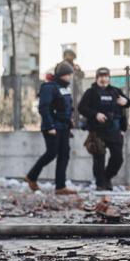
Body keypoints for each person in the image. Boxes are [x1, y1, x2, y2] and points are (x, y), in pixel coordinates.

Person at [25, 62, 77, 195]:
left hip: (64, 127)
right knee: (51, 153)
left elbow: (66, 107)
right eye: (68, 74)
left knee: (64, 155)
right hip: (53, 126)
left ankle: (60, 186)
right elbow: (44, 108)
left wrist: (69, 122)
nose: (70, 77)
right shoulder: (49, 87)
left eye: (70, 74)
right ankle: (31, 176)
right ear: (61, 75)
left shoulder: (65, 88)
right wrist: (50, 126)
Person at [78, 67, 130, 190]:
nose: (103, 78)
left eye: (106, 76)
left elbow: (128, 103)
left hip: (115, 130)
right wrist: (95, 114)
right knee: (99, 160)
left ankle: (107, 177)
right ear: (97, 78)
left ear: (109, 78)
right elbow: (81, 108)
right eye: (101, 76)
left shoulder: (116, 91)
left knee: (118, 158)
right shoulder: (90, 92)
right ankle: (100, 184)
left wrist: (126, 101)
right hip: (97, 131)